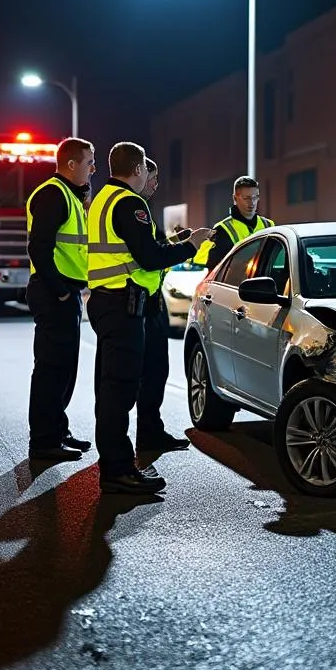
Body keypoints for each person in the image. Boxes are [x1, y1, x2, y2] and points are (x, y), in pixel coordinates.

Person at [86, 142, 213, 494]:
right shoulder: (129, 202)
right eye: (145, 169)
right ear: (138, 168)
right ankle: (118, 470)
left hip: (108, 301)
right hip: (123, 305)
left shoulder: (102, 199)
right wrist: (193, 245)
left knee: (111, 388)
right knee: (120, 390)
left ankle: (115, 464)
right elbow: (149, 257)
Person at [24, 137, 95, 461]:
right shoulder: (53, 194)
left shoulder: (69, 195)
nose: (93, 168)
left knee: (64, 368)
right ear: (71, 164)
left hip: (65, 293)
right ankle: (44, 441)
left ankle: (57, 431)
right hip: (55, 293)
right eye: (89, 162)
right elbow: (39, 248)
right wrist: (62, 290)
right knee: (52, 369)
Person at [136, 157, 192, 454]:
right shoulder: (133, 208)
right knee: (146, 374)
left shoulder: (140, 209)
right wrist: (189, 247)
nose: (156, 184)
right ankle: (141, 442)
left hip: (148, 302)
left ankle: (150, 432)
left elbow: (153, 248)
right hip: (137, 304)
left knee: (156, 371)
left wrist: (173, 240)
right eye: (152, 178)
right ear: (140, 174)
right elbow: (151, 257)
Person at [192, 176, 275, 269]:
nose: (252, 202)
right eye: (246, 198)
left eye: (255, 197)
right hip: (235, 282)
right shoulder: (222, 229)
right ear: (235, 198)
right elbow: (214, 269)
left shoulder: (269, 225)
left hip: (266, 280)